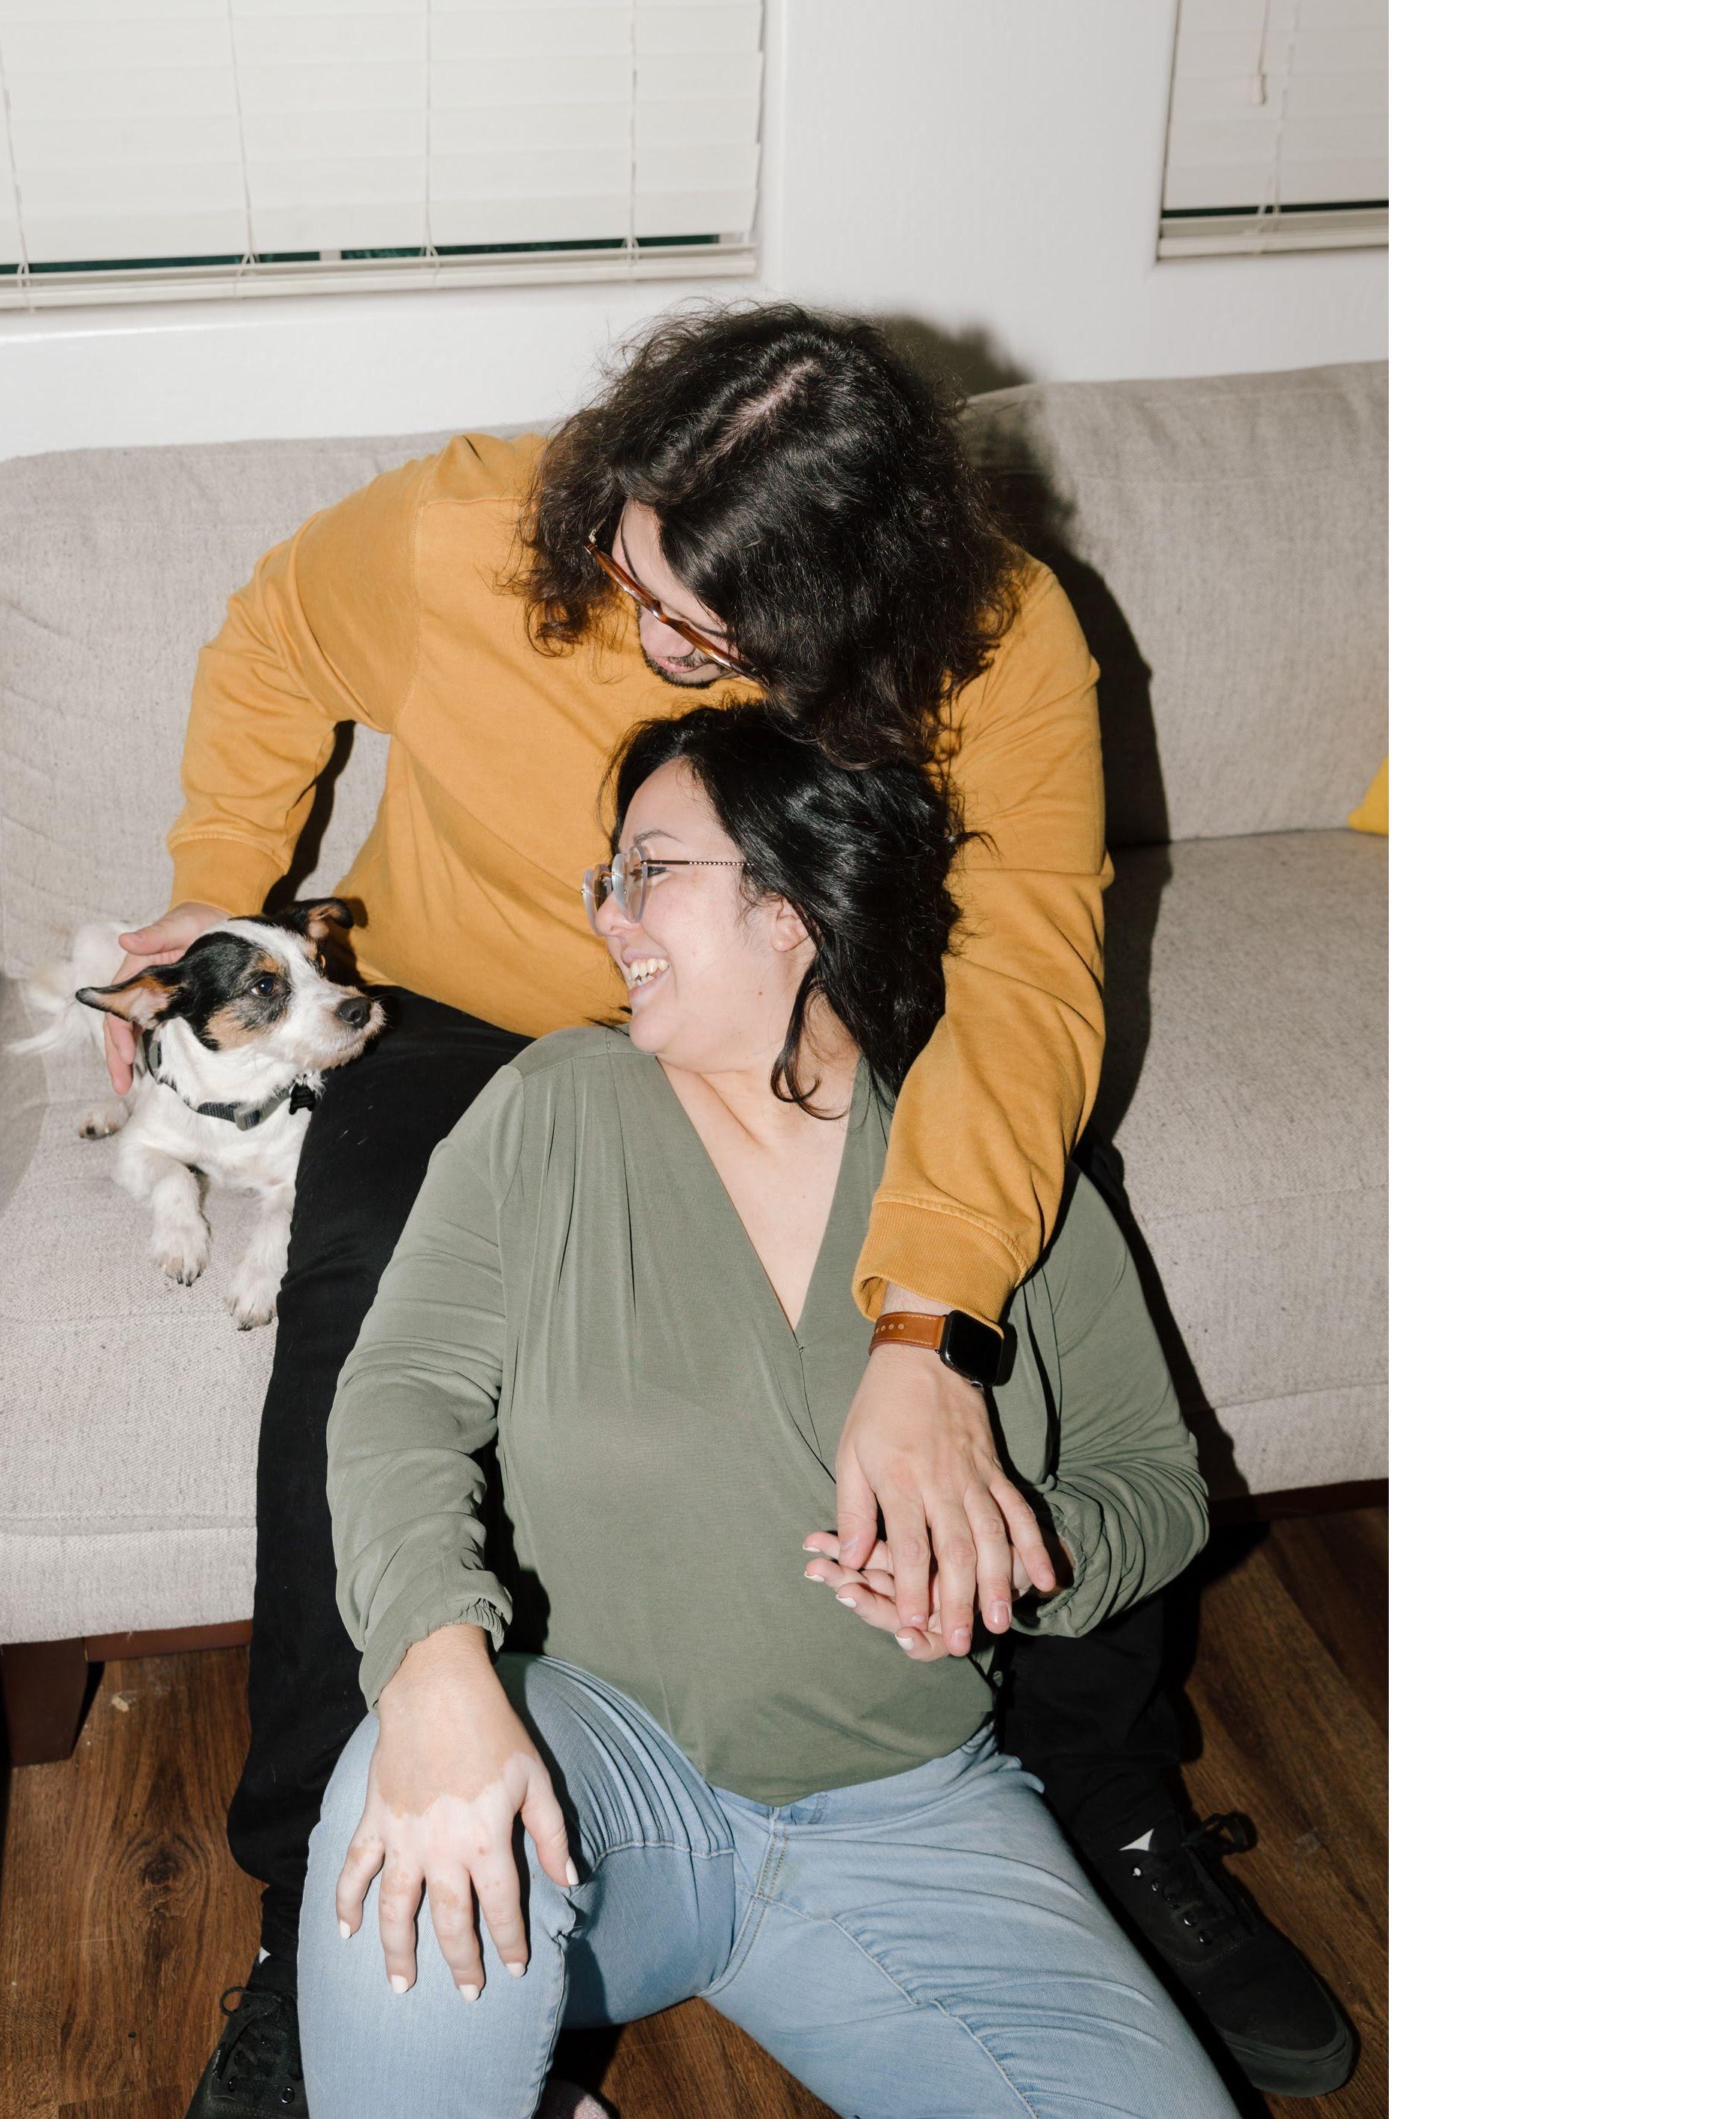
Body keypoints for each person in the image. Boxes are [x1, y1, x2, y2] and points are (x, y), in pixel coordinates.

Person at [125, 304, 1349, 2113]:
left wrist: (931, 1324)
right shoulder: (455, 534)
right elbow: (270, 640)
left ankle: (1109, 1808)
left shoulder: (996, 634)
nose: (652, 641)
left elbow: (1023, 980)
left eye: (708, 633)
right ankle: (317, 1889)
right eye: (632, 583)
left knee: (1036, 1223)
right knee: (359, 1283)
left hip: (803, 1005)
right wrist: (213, 888)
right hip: (464, 1008)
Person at [299, 708, 1237, 2119]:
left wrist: (1011, 1557)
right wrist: (432, 1664)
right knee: (410, 1821)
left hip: (918, 1815)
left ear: (792, 906)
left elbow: (1154, 1481)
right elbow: (400, 1396)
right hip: (598, 1784)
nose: (607, 914)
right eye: (609, 878)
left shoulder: (991, 1166)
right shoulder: (554, 1107)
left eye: (649, 870)